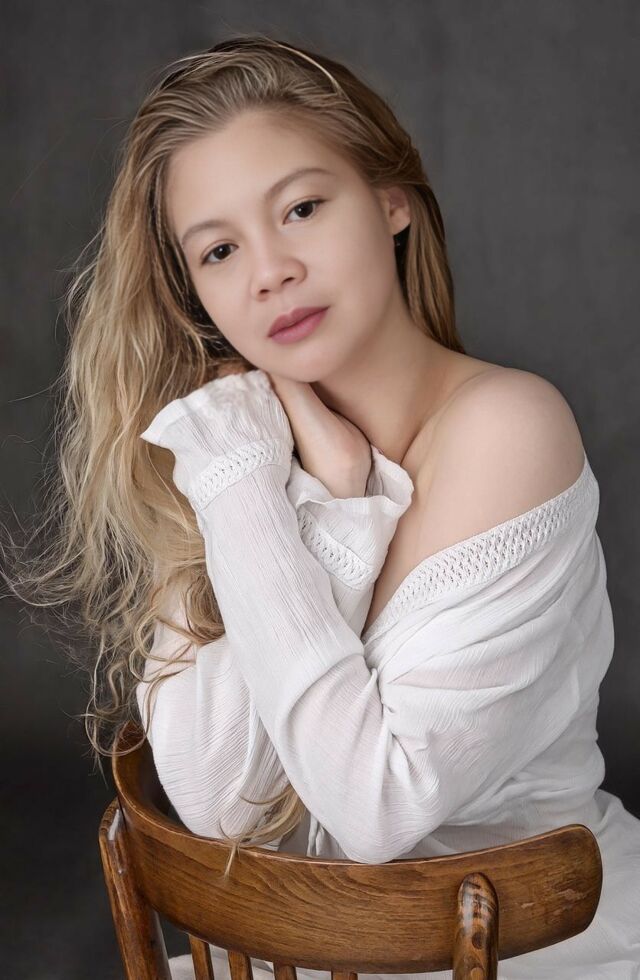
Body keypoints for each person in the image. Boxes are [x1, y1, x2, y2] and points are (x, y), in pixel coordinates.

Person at [5, 32, 639, 980]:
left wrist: (271, 506)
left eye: (302, 208)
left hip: (523, 950)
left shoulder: (509, 428)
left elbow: (378, 809)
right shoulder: (237, 452)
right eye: (220, 250)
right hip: (316, 949)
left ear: (391, 201)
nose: (270, 271)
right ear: (196, 294)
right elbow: (221, 803)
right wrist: (320, 501)